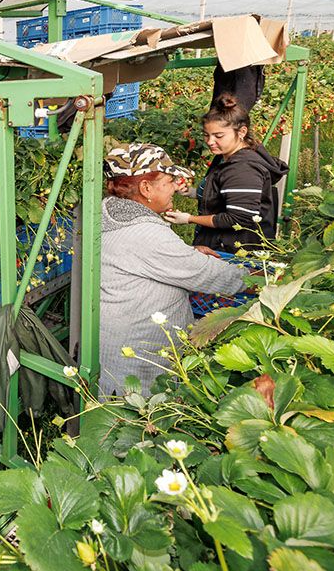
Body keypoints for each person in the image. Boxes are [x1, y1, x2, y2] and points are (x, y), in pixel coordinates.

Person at [101, 143, 247, 396]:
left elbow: (144, 260)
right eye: (169, 181)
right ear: (146, 188)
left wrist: (186, 254)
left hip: (115, 343)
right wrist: (267, 279)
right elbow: (212, 275)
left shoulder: (108, 213)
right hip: (139, 360)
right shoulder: (146, 234)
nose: (174, 189)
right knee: (145, 419)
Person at [164, 95, 288, 253]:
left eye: (218, 136)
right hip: (222, 245)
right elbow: (228, 193)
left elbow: (239, 218)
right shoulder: (227, 158)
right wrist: (193, 193)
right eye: (206, 135)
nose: (210, 141)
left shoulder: (243, 169)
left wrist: (189, 219)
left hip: (233, 250)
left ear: (242, 131)